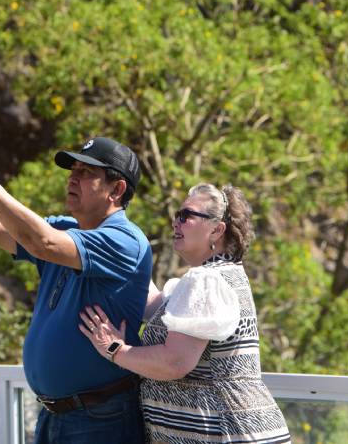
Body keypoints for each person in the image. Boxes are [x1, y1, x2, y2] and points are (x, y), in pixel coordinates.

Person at [0, 118, 151, 444]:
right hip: (55, 415)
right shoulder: (65, 229)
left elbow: (40, 242)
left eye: (87, 173)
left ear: (117, 190)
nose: (73, 178)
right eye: (73, 170)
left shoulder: (125, 240)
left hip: (102, 419)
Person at [79, 183, 291, 444]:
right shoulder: (223, 276)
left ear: (217, 229)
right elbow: (155, 307)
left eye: (186, 216)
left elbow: (175, 362)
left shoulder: (205, 281)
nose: (175, 223)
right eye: (176, 215)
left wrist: (114, 349)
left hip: (227, 433)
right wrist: (122, 253)